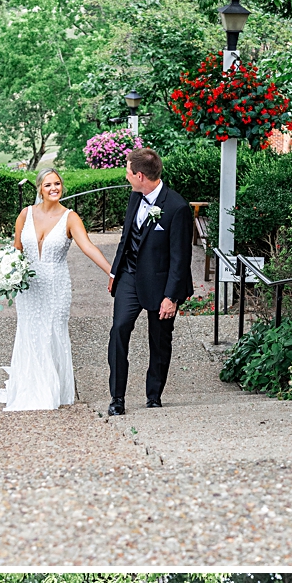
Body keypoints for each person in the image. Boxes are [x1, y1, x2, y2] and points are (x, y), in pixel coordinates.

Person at [0, 168, 112, 412]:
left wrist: (111, 271)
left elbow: (87, 247)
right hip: (29, 287)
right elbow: (17, 250)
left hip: (56, 284)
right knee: (30, 331)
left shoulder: (70, 217)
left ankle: (52, 390)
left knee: (52, 331)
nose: (54, 188)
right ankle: (30, 386)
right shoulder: (25, 214)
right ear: (39, 189)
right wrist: (6, 273)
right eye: (48, 185)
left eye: (57, 183)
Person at [106, 146, 195, 415]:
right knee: (119, 330)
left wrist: (172, 297)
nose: (126, 176)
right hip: (129, 278)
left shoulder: (177, 208)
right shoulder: (135, 197)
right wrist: (114, 272)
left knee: (159, 341)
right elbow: (126, 239)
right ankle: (117, 398)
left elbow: (181, 258)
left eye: (128, 172)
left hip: (161, 285)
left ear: (140, 175)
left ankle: (154, 396)